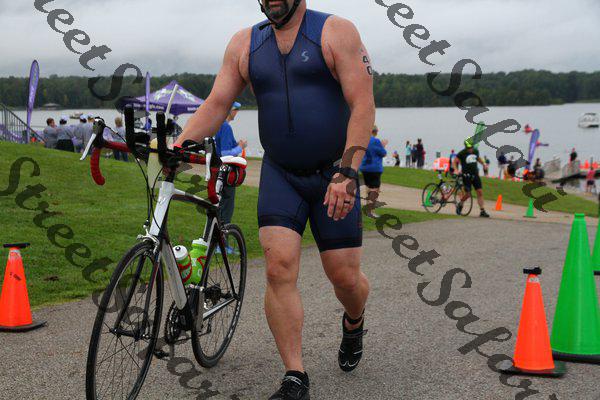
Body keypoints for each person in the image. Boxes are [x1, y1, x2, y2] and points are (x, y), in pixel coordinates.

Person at [174, 2, 374, 398]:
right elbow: (217, 104)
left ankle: (354, 321)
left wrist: (348, 172)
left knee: (345, 278)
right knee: (278, 268)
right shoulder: (245, 44)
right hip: (281, 174)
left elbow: (362, 104)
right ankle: (295, 375)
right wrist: (178, 148)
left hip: (334, 173)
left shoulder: (336, 32)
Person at [215, 102, 248, 225]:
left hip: (217, 169)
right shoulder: (226, 127)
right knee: (226, 207)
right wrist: (240, 147)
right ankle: (223, 236)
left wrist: (235, 144)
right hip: (226, 172)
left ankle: (216, 233)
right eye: (236, 109)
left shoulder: (218, 125)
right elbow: (225, 153)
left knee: (218, 204)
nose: (237, 112)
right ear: (229, 110)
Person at [453, 139, 490, 218]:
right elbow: (454, 162)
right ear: (466, 147)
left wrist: (483, 164)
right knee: (468, 194)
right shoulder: (462, 153)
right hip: (466, 176)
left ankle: (482, 211)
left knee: (480, 192)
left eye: (471, 147)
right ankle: (460, 204)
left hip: (475, 175)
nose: (470, 149)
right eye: (468, 148)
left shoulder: (475, 151)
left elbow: (478, 158)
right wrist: (456, 170)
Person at [360, 125, 387, 217]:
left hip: (365, 167)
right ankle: (370, 210)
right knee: (375, 189)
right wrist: (383, 146)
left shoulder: (364, 140)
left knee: (368, 187)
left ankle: (368, 208)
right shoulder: (376, 141)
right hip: (374, 168)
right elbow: (383, 153)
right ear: (375, 132)